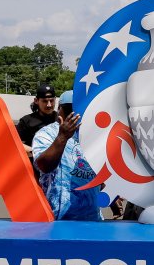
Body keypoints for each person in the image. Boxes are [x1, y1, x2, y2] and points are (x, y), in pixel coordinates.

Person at [31, 91, 103, 221]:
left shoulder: (94, 135)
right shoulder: (46, 134)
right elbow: (44, 166)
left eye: (80, 108)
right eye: (69, 109)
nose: (75, 113)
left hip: (92, 218)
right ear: (60, 111)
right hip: (58, 218)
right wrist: (62, 137)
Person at [16, 84, 59, 148]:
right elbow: (17, 145)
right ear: (36, 101)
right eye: (45, 101)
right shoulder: (26, 121)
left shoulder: (60, 119)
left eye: (51, 101)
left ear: (55, 99)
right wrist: (37, 152)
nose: (49, 105)